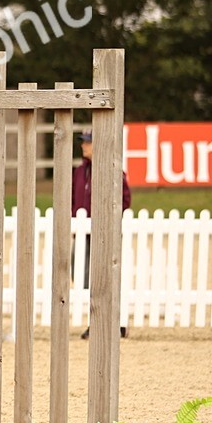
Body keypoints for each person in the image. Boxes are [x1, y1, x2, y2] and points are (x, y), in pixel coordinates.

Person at [73, 131, 131, 339]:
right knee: (82, 273)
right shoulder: (80, 172)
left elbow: (124, 199)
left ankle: (109, 320)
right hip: (83, 231)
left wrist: (110, 222)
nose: (84, 146)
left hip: (105, 232)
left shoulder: (112, 170)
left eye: (88, 142)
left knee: (104, 276)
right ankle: (98, 319)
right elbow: (74, 199)